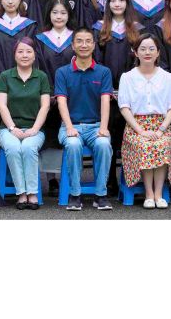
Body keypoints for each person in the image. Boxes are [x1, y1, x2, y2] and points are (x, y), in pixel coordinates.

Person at [53, 29, 115, 211]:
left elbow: (105, 101)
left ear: (94, 45)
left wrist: (104, 127)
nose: (84, 45)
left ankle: (100, 194)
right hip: (70, 125)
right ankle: (75, 194)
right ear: (72, 45)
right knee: (73, 145)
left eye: (88, 41)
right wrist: (69, 127)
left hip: (96, 126)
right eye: (79, 41)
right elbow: (61, 102)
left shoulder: (103, 72)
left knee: (104, 144)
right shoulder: (62, 72)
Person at [118, 35, 171, 209]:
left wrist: (161, 130)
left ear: (158, 52)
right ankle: (149, 194)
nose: (147, 52)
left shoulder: (167, 77)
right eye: (143, 49)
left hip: (161, 125)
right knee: (145, 145)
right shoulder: (127, 77)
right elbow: (124, 107)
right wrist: (141, 131)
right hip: (135, 126)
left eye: (152, 49)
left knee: (161, 144)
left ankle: (158, 194)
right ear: (135, 52)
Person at [0, 38, 48, 210]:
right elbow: (1, 105)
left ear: (34, 55)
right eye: (20, 51)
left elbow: (45, 106)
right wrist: (12, 128)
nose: (24, 55)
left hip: (35, 128)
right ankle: (21, 193)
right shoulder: (5, 76)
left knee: (28, 147)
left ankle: (32, 192)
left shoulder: (41, 77)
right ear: (14, 55)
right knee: (13, 147)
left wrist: (34, 129)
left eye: (28, 51)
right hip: (8, 128)